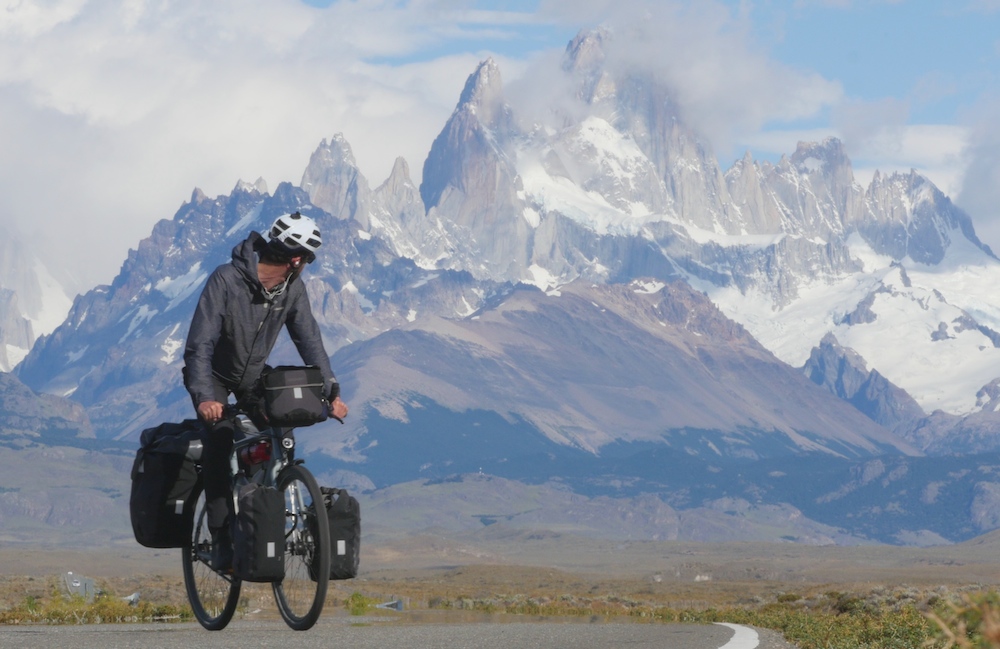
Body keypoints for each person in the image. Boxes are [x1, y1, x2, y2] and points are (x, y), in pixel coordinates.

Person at [182, 211, 348, 569]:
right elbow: (200, 344)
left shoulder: (292, 290)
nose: (305, 266)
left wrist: (331, 392)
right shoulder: (226, 280)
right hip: (214, 377)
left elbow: (310, 341)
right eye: (306, 259)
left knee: (285, 425)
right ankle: (223, 537)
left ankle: (263, 503)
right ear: (296, 258)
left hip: (254, 376)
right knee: (220, 440)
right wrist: (205, 398)